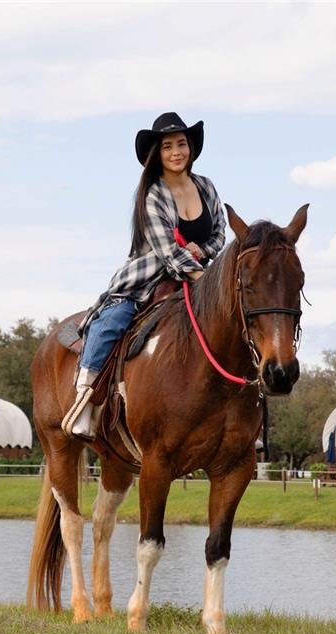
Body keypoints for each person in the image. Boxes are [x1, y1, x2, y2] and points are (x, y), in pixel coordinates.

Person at [62, 112, 228, 438]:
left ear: (191, 148)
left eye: (182, 144)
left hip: (197, 272)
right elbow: (167, 252)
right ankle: (85, 398)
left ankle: (236, 406)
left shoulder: (206, 187)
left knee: (233, 323)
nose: (176, 152)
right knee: (113, 320)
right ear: (158, 154)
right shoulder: (154, 195)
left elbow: (220, 234)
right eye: (168, 147)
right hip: (149, 276)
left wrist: (203, 251)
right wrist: (200, 276)